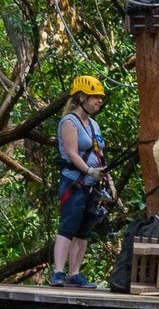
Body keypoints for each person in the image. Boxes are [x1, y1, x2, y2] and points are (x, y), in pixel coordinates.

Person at [50, 75, 108, 288]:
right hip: (74, 182)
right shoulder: (69, 122)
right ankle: (58, 272)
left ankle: (74, 273)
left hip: (91, 185)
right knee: (68, 226)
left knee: (83, 229)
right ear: (82, 97)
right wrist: (90, 171)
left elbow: (100, 154)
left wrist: (106, 178)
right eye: (95, 97)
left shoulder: (93, 125)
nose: (99, 101)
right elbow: (72, 153)